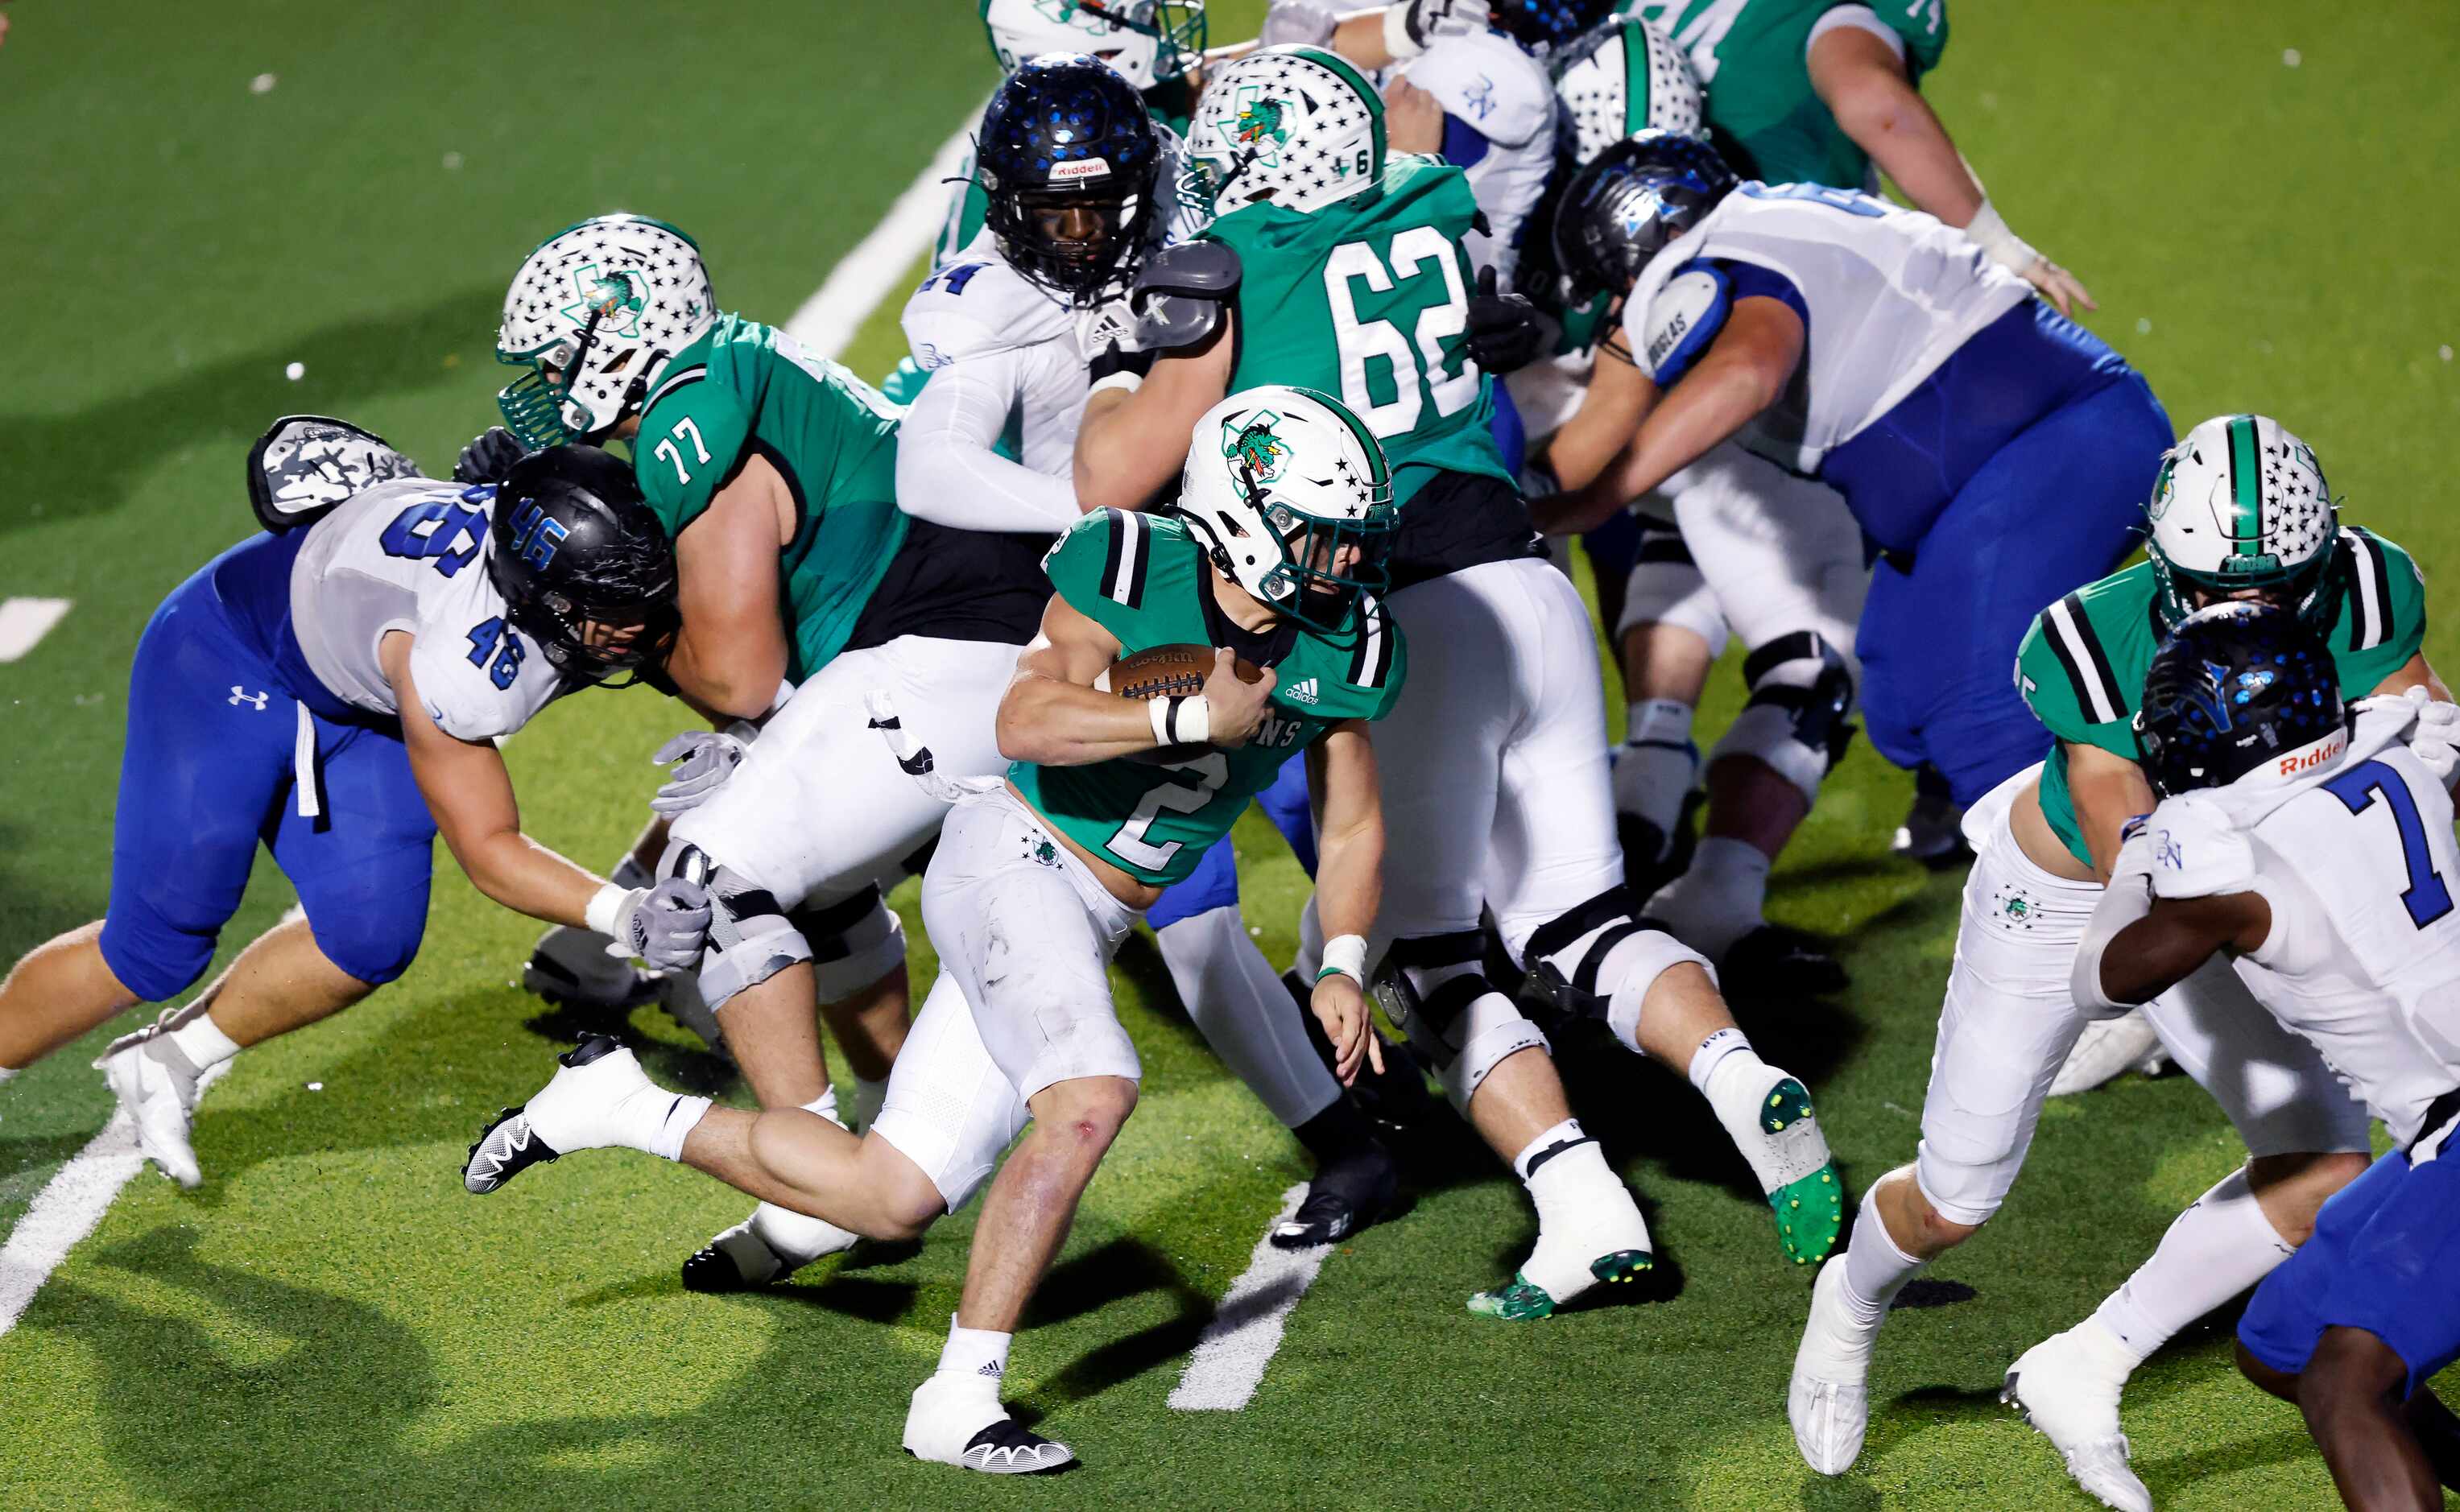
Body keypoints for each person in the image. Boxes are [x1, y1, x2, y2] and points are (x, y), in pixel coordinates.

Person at [465, 386, 1406, 1474]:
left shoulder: (1350, 641)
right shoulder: (1126, 560)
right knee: (1090, 1091)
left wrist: (1339, 959)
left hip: (1090, 912)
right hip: (1012, 856)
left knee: (889, 1194)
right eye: (1318, 535)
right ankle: (957, 1397)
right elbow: (1023, 718)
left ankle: (617, 1105)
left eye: (1350, 540)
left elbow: (1354, 818)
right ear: (1241, 510)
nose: (1339, 563)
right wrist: (1185, 714)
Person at [1078, 45, 1844, 1316]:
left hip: (1405, 610)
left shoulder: (1238, 261)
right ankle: (1727, 1066)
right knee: (1583, 922)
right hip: (1531, 583)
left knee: (1431, 960)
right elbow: (1422, 150)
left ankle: (1581, 1205)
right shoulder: (1433, 200)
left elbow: (1118, 475)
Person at [1791, 416, 2446, 1510]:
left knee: (2325, 1165)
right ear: (2156, 560)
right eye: (2211, 590)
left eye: (2280, 588)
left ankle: (2084, 1360)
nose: (2248, 618)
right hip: (2083, 898)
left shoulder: (2370, 587)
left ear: (2322, 553)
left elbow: (2417, 758)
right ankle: (1849, 1298)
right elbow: (2129, 855)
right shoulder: (2091, 639)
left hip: (2236, 894)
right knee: (1955, 1198)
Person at [484, 213, 1052, 1289]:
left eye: (558, 358)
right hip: (962, 625)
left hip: (943, 645)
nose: (549, 386)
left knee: (714, 875)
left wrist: (630, 637)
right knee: (811, 878)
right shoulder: (722, 371)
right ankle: (867, 1145)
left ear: (620, 335)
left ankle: (814, 1179)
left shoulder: (691, 419)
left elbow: (739, 676)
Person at [901, 53, 1400, 1246]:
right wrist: (1084, 520)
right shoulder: (983, 298)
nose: (1078, 236)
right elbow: (935, 463)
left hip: (1242, 548)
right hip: (1135, 579)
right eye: (1051, 211)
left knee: (1312, 795)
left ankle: (1377, 1045)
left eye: (1098, 206)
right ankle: (1346, 1122)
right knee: (1188, 856)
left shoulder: (1189, 206)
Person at [0, 419, 703, 1188]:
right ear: (532, 598)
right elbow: (492, 849)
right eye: (607, 608)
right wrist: (623, 914)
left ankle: (168, 1062)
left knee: (368, 939)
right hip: (229, 662)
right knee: (157, 947)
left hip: (362, 694)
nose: (635, 626)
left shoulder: (559, 559)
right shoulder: (460, 665)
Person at [1529, 131, 2170, 845]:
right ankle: (2028, 804)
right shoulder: (1764, 219)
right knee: (1899, 688)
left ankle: (2107, 904)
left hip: (2050, 446)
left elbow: (1748, 372)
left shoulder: (1718, 260)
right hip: (2024, 458)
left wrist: (1597, 499)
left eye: (1616, 287)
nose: (1620, 312)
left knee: (1978, 715)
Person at [2071, 603, 2460, 1512]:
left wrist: (2137, 855)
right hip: (2437, 1132)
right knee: (2283, 1341)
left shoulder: (2233, 877)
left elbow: (2100, 981)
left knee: (2342, 1382)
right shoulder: (2403, 748)